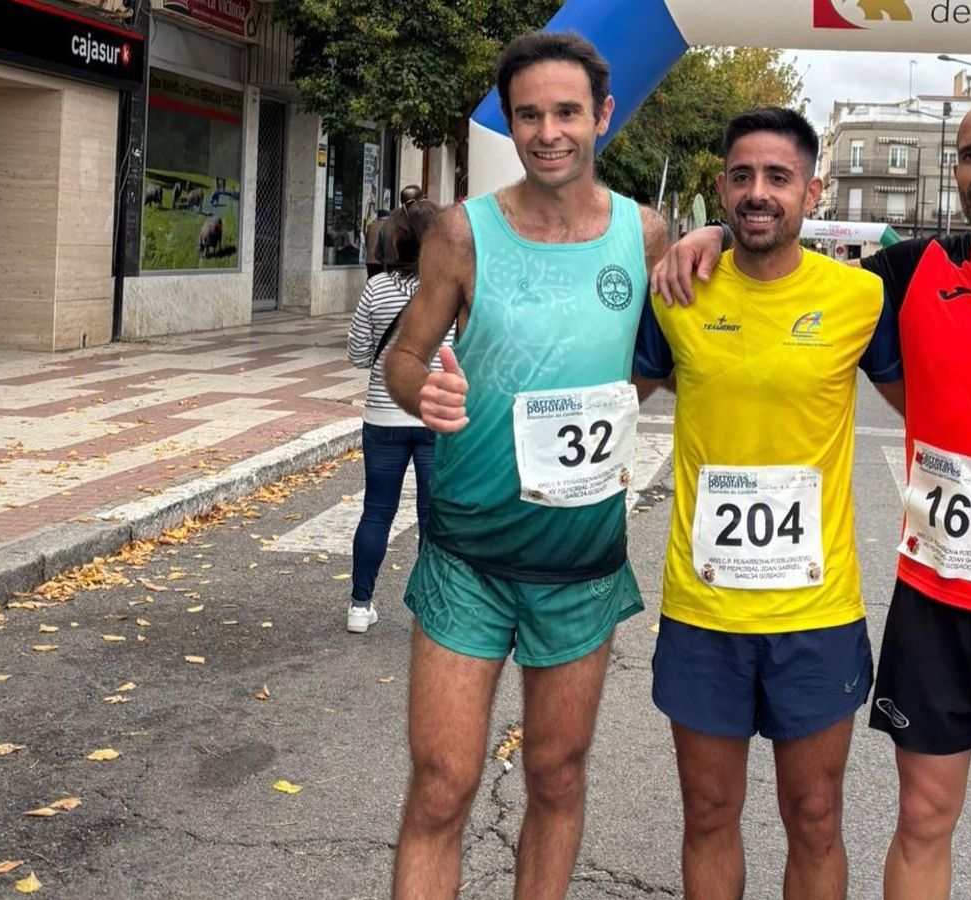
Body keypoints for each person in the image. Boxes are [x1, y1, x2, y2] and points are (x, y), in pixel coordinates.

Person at [653, 96, 971, 900]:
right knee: (923, 818)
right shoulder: (906, 275)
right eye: (969, 156)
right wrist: (714, 232)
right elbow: (778, 262)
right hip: (935, 600)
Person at [381, 32, 668, 899]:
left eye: (567, 113)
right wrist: (419, 394)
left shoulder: (647, 234)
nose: (550, 132)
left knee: (556, 777)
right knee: (441, 786)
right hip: (468, 553)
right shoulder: (462, 234)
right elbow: (403, 355)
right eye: (531, 114)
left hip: (580, 565)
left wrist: (622, 398)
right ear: (511, 122)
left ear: (602, 117)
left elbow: (674, 351)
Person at [634, 107, 902, 900]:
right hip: (703, 609)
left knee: (815, 815)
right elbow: (609, 394)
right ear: (721, 187)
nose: (759, 193)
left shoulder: (859, 298)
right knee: (709, 811)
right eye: (742, 176)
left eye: (778, 177)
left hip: (816, 613)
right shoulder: (678, 290)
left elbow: (934, 408)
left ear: (812, 192)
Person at [344, 199, 448, 634]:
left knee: (376, 510)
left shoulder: (378, 288)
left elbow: (356, 353)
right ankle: (428, 610)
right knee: (433, 514)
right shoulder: (448, 288)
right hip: (433, 416)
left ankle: (359, 605)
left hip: (384, 416)